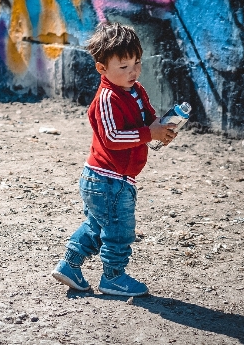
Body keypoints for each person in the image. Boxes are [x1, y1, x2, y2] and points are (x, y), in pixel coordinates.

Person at [51, 22, 177, 296]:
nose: (133, 71)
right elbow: (112, 138)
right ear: (102, 69)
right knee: (119, 229)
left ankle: (70, 265)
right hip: (106, 179)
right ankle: (113, 277)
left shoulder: (136, 91)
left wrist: (161, 129)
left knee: (97, 225)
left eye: (137, 63)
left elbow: (148, 120)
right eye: (124, 66)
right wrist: (148, 133)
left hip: (115, 179)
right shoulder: (107, 97)